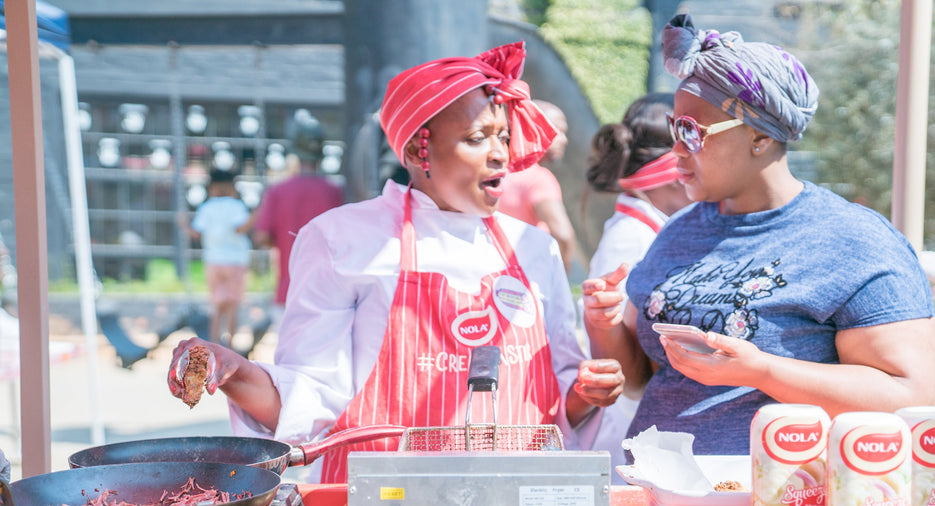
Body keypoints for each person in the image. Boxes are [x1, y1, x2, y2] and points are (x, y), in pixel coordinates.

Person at [167, 41, 624, 483]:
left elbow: (558, 395)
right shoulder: (343, 240)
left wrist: (586, 392)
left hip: (518, 501)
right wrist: (237, 372)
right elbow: (311, 396)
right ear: (417, 151)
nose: (500, 153)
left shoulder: (535, 248)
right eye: (476, 138)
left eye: (503, 136)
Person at [581, 14, 935, 456]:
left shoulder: (854, 240)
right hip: (655, 489)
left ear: (759, 138)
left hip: (781, 497)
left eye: (691, 132)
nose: (676, 150)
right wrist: (605, 326)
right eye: (675, 128)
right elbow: (639, 378)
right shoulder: (678, 230)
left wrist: (762, 370)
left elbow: (909, 395)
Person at [583, 92, 691, 472]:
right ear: (673, 171)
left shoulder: (646, 230)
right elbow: (625, 361)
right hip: (630, 429)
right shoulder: (632, 239)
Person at [252, 112, 344, 321]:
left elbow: (262, 236)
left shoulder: (278, 191)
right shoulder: (335, 192)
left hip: (289, 289)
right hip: (329, 293)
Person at [498, 100, 580, 270]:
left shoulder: (492, 171)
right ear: (532, 130)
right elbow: (563, 235)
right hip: (524, 273)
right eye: (557, 131)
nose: (564, 140)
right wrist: (561, 273)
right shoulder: (539, 179)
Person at [186, 168, 253, 348]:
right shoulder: (236, 206)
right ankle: (229, 345)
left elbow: (196, 232)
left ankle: (215, 345)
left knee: (216, 305)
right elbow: (240, 228)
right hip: (236, 260)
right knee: (233, 305)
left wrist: (183, 224)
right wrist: (257, 215)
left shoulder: (207, 207)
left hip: (213, 260)